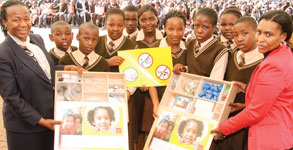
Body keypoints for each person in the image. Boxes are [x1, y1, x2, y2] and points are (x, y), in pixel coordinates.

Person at [0, 1, 84, 150]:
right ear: (5, 22)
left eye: (26, 19)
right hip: (26, 127)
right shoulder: (4, 53)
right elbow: (11, 97)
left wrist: (65, 68)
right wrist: (40, 120)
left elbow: (43, 71)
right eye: (16, 20)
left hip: (50, 116)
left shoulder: (36, 39)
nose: (23, 24)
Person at [211, 10, 293, 150]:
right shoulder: (283, 54)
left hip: (270, 139)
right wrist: (248, 88)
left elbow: (255, 112)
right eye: (259, 32)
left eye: (269, 35)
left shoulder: (274, 66)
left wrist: (222, 129)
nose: (260, 39)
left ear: (283, 36)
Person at [212, 16, 264, 150]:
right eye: (235, 35)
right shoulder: (230, 54)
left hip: (248, 123)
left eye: (244, 33)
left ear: (257, 33)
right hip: (226, 118)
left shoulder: (264, 61)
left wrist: (246, 106)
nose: (239, 38)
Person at [173, 7, 228, 80]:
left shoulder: (220, 51)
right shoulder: (191, 44)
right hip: (187, 88)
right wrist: (184, 69)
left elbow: (216, 80)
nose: (199, 31)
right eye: (196, 26)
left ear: (214, 28)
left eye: (205, 27)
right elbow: (192, 68)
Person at [150, 10, 187, 100]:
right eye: (171, 29)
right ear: (164, 28)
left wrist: (184, 68)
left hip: (182, 101)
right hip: (159, 100)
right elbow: (150, 81)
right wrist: (156, 104)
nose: (175, 34)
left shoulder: (188, 48)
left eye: (180, 29)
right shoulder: (155, 48)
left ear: (185, 28)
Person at [95, 8, 137, 72]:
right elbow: (87, 66)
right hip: (98, 81)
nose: (115, 29)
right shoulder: (96, 42)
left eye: (120, 25)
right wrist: (106, 63)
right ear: (105, 24)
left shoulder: (132, 46)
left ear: (124, 25)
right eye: (111, 25)